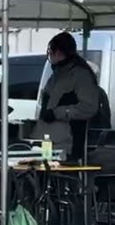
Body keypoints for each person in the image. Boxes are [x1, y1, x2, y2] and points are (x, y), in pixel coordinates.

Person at [33, 32, 100, 162]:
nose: (49, 56)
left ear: (57, 52)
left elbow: (89, 107)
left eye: (50, 52)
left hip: (68, 143)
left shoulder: (81, 76)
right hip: (48, 139)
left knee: (64, 177)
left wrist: (58, 113)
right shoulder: (56, 75)